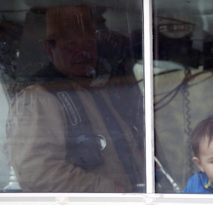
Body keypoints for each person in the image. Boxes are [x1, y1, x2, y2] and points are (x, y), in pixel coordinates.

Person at [5, 5, 144, 192]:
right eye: (71, 45)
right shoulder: (37, 98)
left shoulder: (97, 92)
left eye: (88, 44)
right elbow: (38, 173)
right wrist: (106, 189)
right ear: (49, 49)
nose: (83, 52)